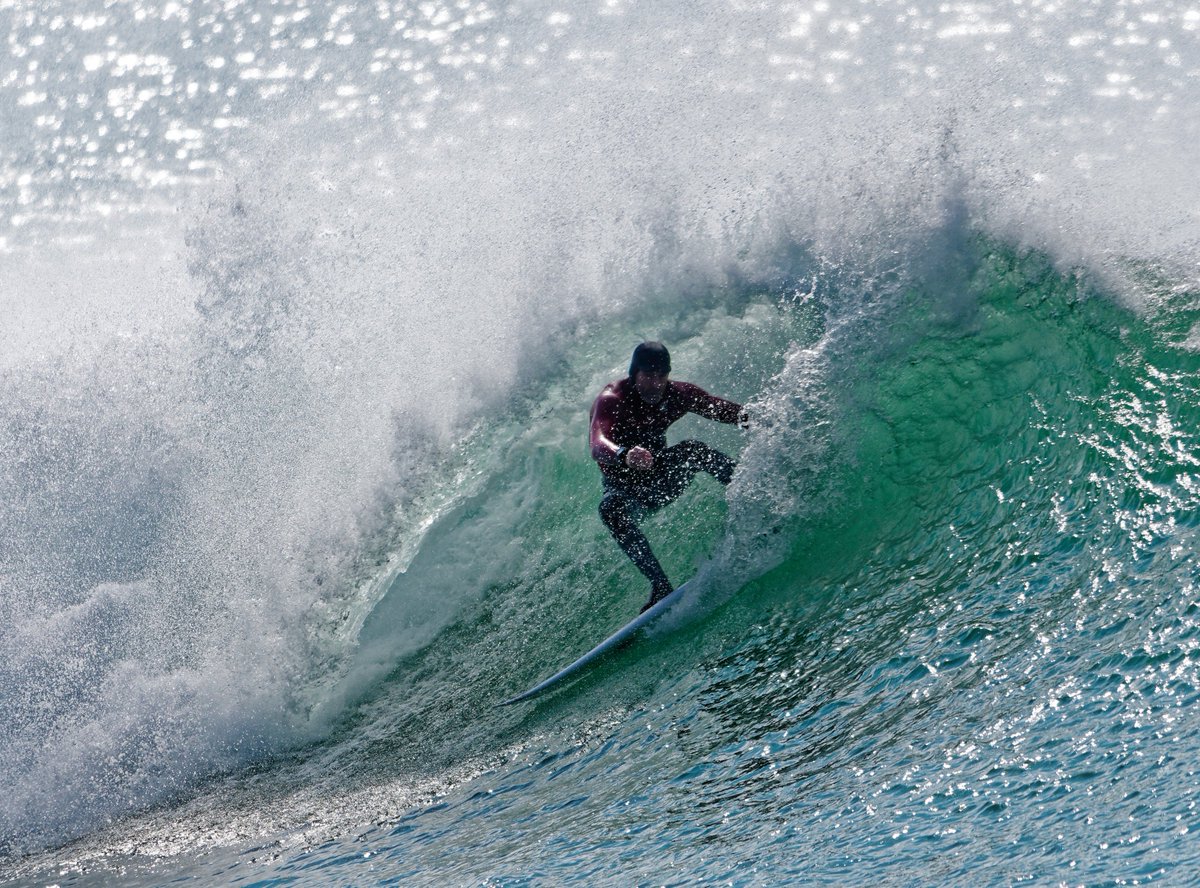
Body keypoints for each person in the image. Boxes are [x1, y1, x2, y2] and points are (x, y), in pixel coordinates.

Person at [589, 341, 746, 612]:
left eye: (662, 375)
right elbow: (597, 442)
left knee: (694, 450)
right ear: (634, 374)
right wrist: (624, 454)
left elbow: (721, 410)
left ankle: (754, 494)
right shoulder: (612, 399)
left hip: (661, 477)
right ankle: (660, 586)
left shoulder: (677, 394)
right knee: (610, 509)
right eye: (648, 376)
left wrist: (762, 418)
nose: (656, 383)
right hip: (627, 489)